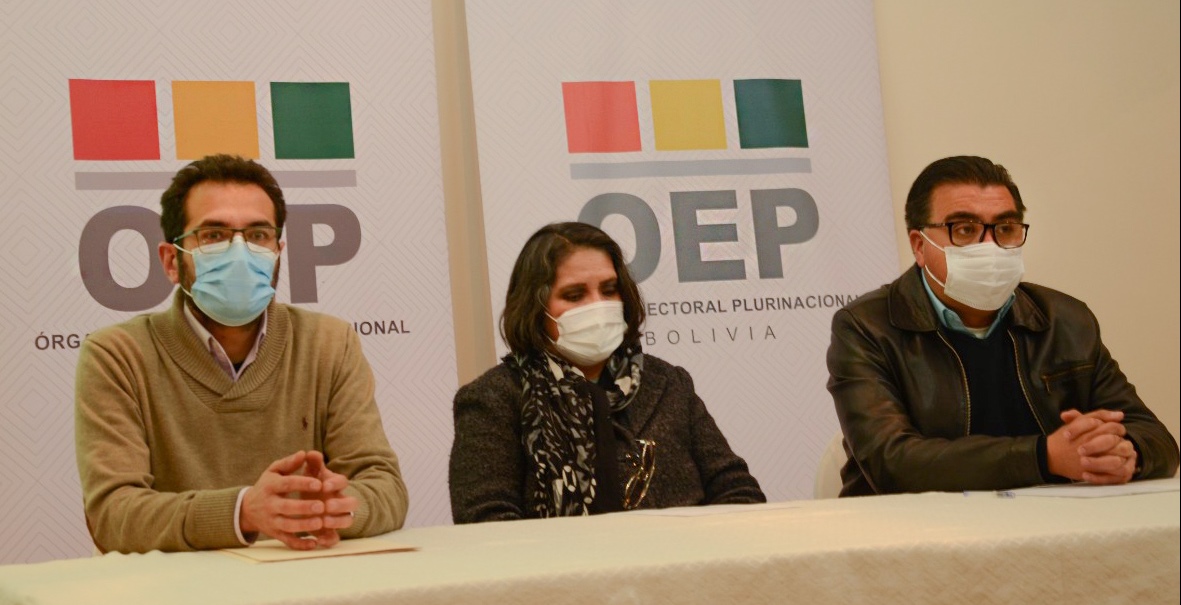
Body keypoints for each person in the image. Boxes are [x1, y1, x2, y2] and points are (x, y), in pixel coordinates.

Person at [75, 154, 409, 553]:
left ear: (278, 251)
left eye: (257, 235)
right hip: (182, 585)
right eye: (213, 235)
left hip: (308, 578)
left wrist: (332, 508)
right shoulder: (117, 356)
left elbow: (384, 486)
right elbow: (113, 514)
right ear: (171, 261)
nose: (239, 252)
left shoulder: (329, 343)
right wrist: (244, 512)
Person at [827, 155, 1179, 497]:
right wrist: (1044, 457)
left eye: (1005, 229)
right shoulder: (866, 327)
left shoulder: (1065, 319)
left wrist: (1126, 453)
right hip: (911, 528)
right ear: (920, 246)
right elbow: (892, 462)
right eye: (965, 230)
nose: (990, 246)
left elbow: (1156, 438)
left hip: (1050, 524)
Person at [449, 222, 765, 522]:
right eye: (574, 295)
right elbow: (487, 524)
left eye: (609, 289)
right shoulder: (493, 399)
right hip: (565, 563)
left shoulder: (668, 382)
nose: (598, 306)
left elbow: (738, 490)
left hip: (686, 559)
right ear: (535, 307)